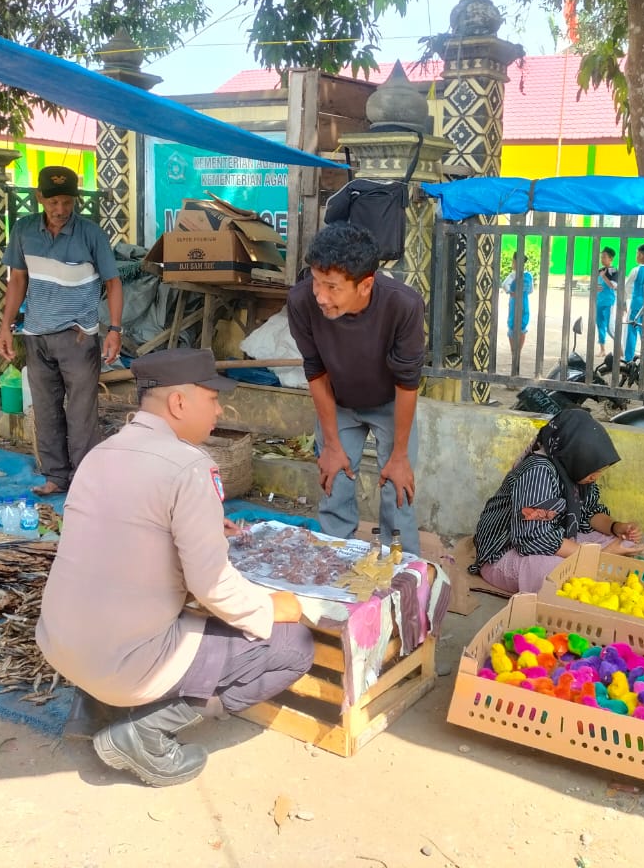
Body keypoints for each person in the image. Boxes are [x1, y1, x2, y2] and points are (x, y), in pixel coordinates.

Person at [36, 348, 313, 787]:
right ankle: (144, 732)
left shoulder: (100, 453)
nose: (219, 410)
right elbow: (211, 585)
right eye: (212, 399)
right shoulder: (190, 465)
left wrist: (198, 525)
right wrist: (271, 608)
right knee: (293, 645)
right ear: (179, 403)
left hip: (61, 644)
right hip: (123, 662)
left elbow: (115, 535)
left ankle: (89, 708)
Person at [286, 222, 426, 554]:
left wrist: (400, 455)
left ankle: (402, 565)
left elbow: (408, 384)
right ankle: (336, 561)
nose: (320, 295)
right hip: (339, 402)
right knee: (334, 480)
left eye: (332, 287)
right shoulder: (301, 301)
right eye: (316, 281)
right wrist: (332, 445)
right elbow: (315, 371)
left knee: (397, 485)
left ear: (365, 285)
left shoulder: (403, 306)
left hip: (390, 402)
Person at [0, 165, 124, 497]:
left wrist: (114, 330)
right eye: (53, 202)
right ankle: (55, 475)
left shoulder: (91, 233)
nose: (60, 210)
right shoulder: (24, 230)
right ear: (40, 197)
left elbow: (113, 282)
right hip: (36, 334)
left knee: (82, 413)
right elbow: (17, 281)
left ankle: (83, 479)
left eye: (67, 202)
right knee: (45, 408)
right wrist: (6, 327)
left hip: (78, 335)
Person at [471, 407, 643, 594]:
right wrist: (599, 556)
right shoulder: (537, 472)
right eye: (593, 470)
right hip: (507, 550)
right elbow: (534, 538)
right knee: (554, 572)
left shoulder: (576, 469)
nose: (595, 477)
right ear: (574, 455)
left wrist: (617, 527)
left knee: (625, 544)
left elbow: (589, 512)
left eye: (600, 471)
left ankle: (592, 563)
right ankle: (590, 566)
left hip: (555, 536)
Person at [502, 259, 534, 359]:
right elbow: (531, 290)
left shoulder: (513, 275)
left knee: (512, 324)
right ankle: (518, 352)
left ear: (516, 262)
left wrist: (511, 293)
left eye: (513, 261)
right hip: (524, 301)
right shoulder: (529, 275)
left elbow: (504, 285)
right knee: (523, 325)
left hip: (514, 301)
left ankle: (513, 352)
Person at [594, 247, 619, 350]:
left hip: (609, 302)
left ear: (611, 258)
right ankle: (602, 349)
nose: (602, 259)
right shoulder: (599, 270)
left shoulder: (614, 271)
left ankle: (620, 349)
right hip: (599, 301)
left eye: (604, 257)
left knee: (609, 327)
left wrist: (604, 277)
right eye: (601, 257)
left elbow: (614, 286)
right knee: (600, 324)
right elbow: (595, 285)